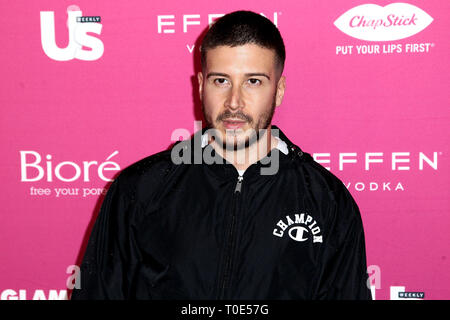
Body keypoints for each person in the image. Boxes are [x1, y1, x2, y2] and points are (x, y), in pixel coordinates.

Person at [71, 10, 372, 300]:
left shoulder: (327, 201)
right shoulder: (140, 189)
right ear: (201, 86)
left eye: (253, 81)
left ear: (278, 90)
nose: (234, 102)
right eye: (221, 81)